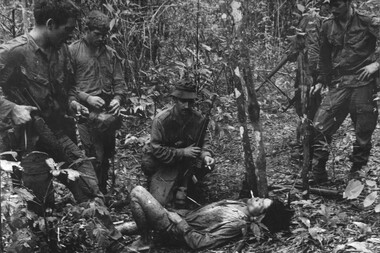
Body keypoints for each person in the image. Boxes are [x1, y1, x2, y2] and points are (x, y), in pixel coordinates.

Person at [0, 1, 128, 251]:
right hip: (29, 144)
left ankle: (114, 244)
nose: (71, 35)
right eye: (67, 30)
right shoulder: (13, 52)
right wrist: (11, 109)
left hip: (60, 134)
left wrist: (72, 103)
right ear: (50, 24)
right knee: (39, 208)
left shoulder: (62, 51)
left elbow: (68, 87)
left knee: (89, 186)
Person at [310, 0, 380, 184]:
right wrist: (320, 80)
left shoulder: (367, 21)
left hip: (363, 83)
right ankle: (318, 171)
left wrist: (377, 64)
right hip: (339, 83)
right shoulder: (327, 25)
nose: (333, 10)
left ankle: (357, 172)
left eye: (337, 5)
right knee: (320, 125)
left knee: (363, 131)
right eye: (330, 5)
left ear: (348, 3)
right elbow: (324, 56)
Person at [129, 185, 294, 251]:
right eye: (259, 197)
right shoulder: (238, 204)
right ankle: (145, 234)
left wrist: (180, 222)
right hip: (175, 217)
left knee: (137, 193)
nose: (256, 198)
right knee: (123, 227)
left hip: (173, 230)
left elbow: (203, 243)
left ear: (260, 217)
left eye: (260, 203)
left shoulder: (237, 223)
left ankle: (146, 240)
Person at [69, 10, 127, 194]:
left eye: (105, 35)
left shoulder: (111, 54)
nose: (102, 38)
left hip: (108, 114)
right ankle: (93, 196)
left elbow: (119, 83)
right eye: (97, 34)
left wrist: (117, 99)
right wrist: (87, 98)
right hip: (84, 114)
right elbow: (65, 86)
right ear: (86, 30)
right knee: (94, 156)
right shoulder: (73, 51)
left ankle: (102, 191)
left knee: (107, 154)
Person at [141, 81, 215, 206]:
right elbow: (157, 149)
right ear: (175, 100)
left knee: (205, 167)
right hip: (166, 164)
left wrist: (206, 155)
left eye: (190, 102)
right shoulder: (161, 120)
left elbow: (204, 143)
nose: (186, 106)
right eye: (182, 101)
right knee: (160, 203)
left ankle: (190, 185)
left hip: (188, 164)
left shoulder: (198, 119)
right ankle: (159, 182)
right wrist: (183, 152)